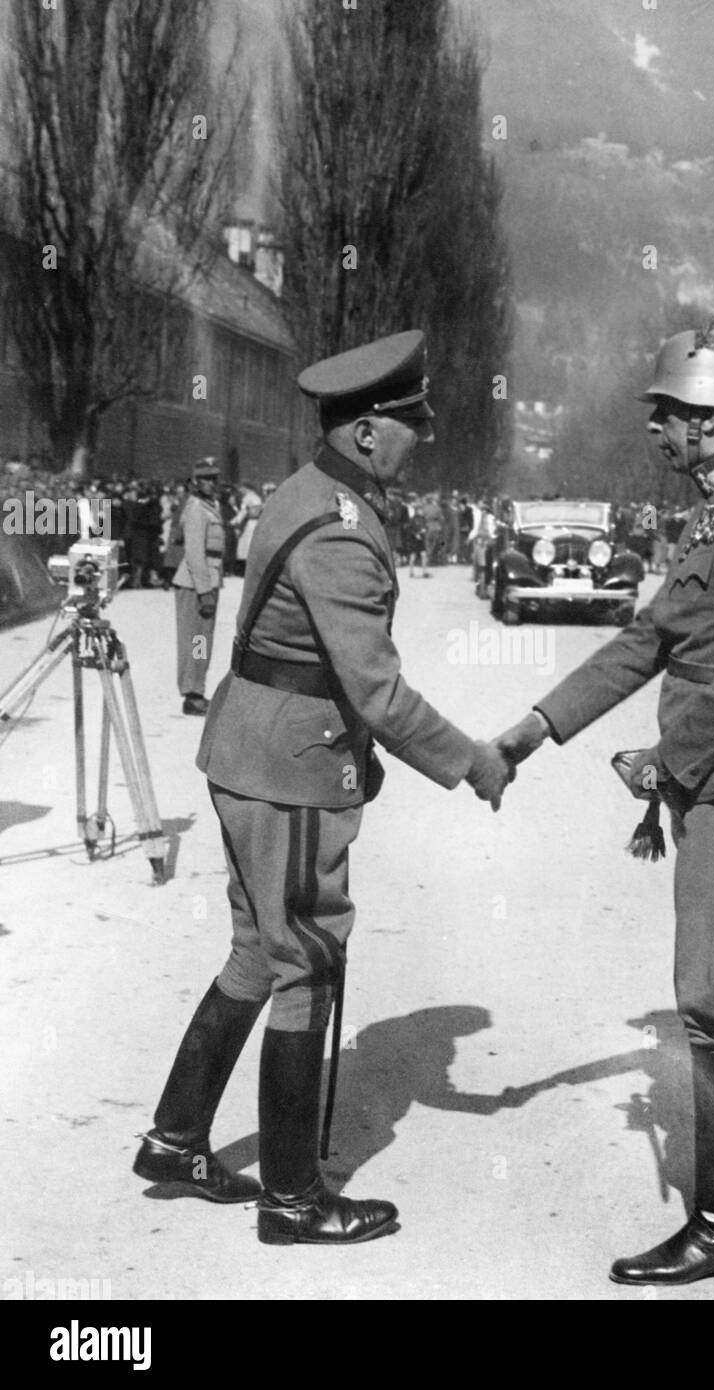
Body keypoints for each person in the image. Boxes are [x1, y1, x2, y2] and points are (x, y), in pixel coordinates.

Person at [133, 330, 512, 1248]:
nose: (421, 437)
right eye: (410, 423)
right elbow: (374, 688)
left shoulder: (308, 496)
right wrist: (472, 761)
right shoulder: (341, 528)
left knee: (259, 952)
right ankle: (294, 1200)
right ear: (370, 430)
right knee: (307, 957)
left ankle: (176, 1140)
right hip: (292, 771)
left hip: (254, 752)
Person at [495, 327, 714, 1285]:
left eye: (671, 413)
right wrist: (534, 729)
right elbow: (649, 640)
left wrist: (666, 761)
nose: (656, 428)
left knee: (709, 999)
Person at [172, 459, 225, 715]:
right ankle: (192, 693)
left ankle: (197, 690)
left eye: (214, 478)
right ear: (195, 482)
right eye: (205, 479)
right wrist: (204, 591)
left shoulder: (211, 507)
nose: (211, 483)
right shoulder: (196, 509)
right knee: (194, 640)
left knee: (202, 640)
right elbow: (194, 553)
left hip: (207, 582)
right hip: (195, 585)